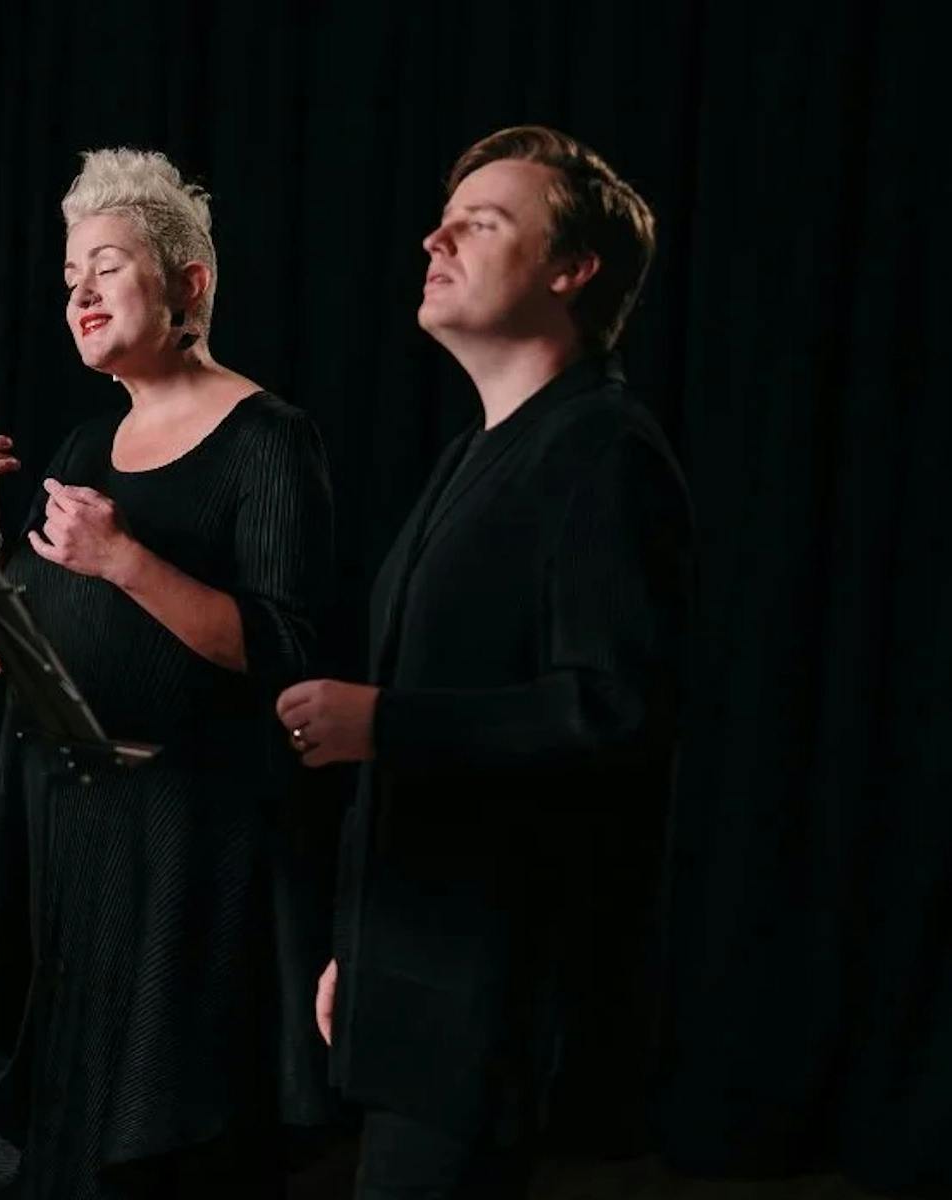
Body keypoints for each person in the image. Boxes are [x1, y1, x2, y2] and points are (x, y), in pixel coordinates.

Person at [278, 124, 692, 1198]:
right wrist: (358, 955)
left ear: (569, 270)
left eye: (480, 222)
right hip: (409, 976)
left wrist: (383, 723)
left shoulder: (600, 453)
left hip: (491, 999)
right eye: (441, 219)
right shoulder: (475, 454)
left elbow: (613, 711)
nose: (433, 238)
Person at [0, 148, 336, 1198]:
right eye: (69, 275)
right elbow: (9, 652)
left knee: (165, 1148)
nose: (77, 292)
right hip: (67, 831)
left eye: (105, 267)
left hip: (188, 850)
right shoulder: (82, 442)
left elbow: (286, 655)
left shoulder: (268, 440)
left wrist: (124, 560)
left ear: (188, 285)